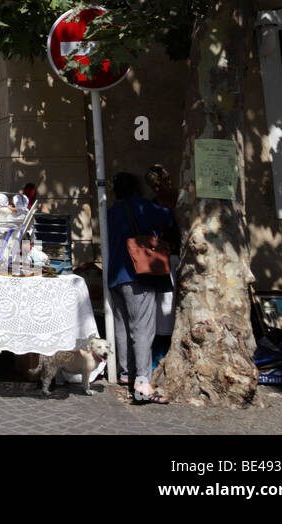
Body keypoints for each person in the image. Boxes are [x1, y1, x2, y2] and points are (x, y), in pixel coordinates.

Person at [106, 172, 179, 404]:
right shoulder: (142, 206)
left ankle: (126, 374)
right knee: (142, 328)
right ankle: (142, 382)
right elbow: (168, 218)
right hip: (138, 274)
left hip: (116, 275)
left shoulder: (110, 211)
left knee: (122, 325)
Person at [145, 164, 179, 358]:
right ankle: (161, 352)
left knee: (168, 304)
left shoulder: (180, 201)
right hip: (163, 258)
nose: (157, 189)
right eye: (154, 185)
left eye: (160, 184)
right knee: (164, 305)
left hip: (174, 255)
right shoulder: (153, 204)